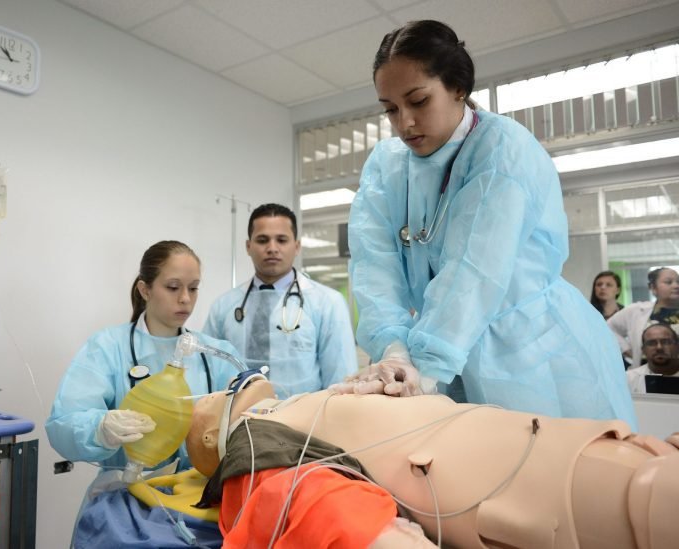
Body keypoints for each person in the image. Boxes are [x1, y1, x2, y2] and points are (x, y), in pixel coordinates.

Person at [339, 19, 636, 428]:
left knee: (544, 472)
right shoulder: (387, 166)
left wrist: (422, 371)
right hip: (437, 347)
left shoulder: (502, 150)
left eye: (419, 101)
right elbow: (374, 266)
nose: (403, 122)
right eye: (390, 109)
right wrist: (394, 351)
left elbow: (473, 270)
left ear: (458, 87)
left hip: (528, 353)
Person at [186, 378, 679, 548]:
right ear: (212, 433)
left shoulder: (296, 409)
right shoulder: (253, 442)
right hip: (531, 486)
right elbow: (333, 517)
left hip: (553, 450)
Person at [45, 240, 241, 546]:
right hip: (123, 504)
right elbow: (63, 423)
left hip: (196, 500)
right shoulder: (108, 348)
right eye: (173, 287)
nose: (186, 299)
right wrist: (101, 429)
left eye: (194, 288)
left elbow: (250, 414)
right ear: (145, 289)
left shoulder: (216, 355)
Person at [204, 203, 357, 397]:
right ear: (248, 246)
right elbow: (207, 370)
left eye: (282, 240)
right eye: (262, 240)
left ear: (297, 246)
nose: (272, 248)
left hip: (302, 422)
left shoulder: (327, 303)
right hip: (234, 420)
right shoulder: (223, 306)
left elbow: (340, 379)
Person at [608, 267, 679, 369]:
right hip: (645, 376)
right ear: (653, 288)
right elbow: (607, 328)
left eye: (678, 281)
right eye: (668, 282)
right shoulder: (636, 310)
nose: (676, 286)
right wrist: (627, 350)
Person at [627, 322, 679, 394]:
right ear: (643, 350)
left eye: (665, 342)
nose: (659, 347)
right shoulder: (628, 380)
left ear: (677, 346)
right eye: (651, 343)